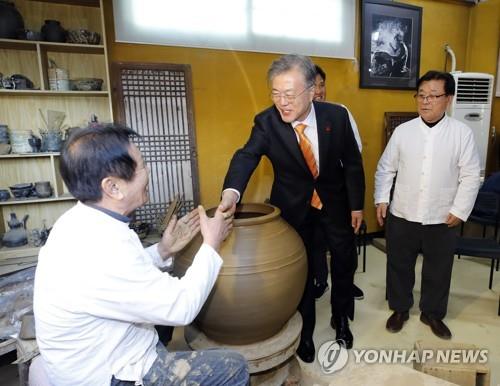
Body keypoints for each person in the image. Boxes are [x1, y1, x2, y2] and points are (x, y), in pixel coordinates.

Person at [33, 124, 249, 386]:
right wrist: (212, 243)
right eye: (142, 165)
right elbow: (182, 307)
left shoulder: (79, 221)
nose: (148, 172)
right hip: (108, 373)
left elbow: (114, 280)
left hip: (105, 347)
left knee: (163, 320)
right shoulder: (103, 246)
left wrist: (163, 250)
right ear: (112, 187)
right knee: (234, 367)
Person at [219, 54, 365, 362]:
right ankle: (306, 334)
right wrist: (232, 192)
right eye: (276, 93)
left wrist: (356, 206)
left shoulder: (336, 117)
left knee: (343, 262)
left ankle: (341, 319)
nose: (282, 102)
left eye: (289, 94)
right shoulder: (267, 122)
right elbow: (246, 156)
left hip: (336, 205)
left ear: (312, 91)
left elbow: (352, 163)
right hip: (294, 208)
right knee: (304, 271)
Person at [374, 70, 480, 340]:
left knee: (439, 267)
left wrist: (459, 210)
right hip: (403, 211)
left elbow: (470, 175)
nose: (425, 101)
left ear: (449, 99)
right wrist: (382, 199)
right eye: (421, 95)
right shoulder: (403, 132)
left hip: (442, 215)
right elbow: (386, 168)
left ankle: (432, 313)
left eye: (434, 96)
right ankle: (399, 309)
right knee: (399, 264)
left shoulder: (461, 134)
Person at [312, 64, 364, 301]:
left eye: (321, 85)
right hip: (310, 193)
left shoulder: (339, 112)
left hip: (337, 189)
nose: (318, 91)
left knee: (343, 245)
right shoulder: (292, 114)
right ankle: (320, 281)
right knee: (316, 242)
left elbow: (355, 152)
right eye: (313, 86)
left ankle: (346, 284)